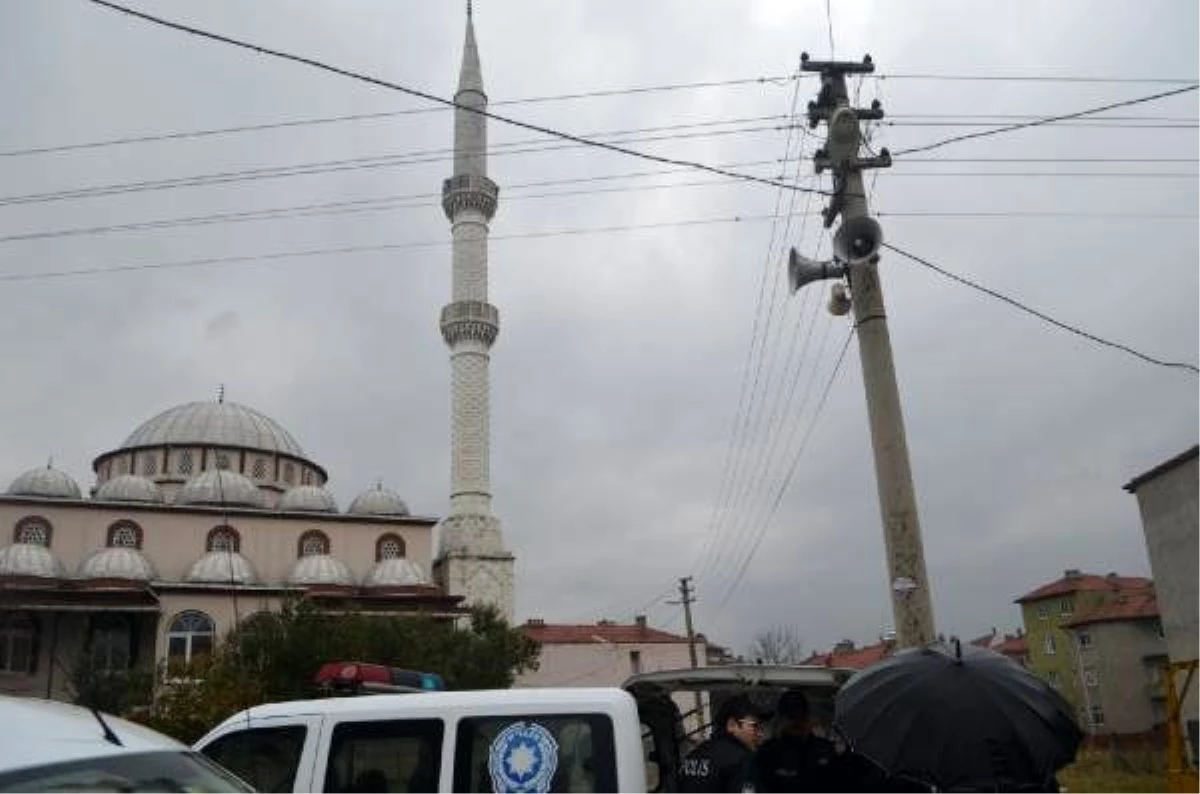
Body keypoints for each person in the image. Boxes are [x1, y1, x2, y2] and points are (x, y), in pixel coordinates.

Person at [751, 689, 842, 794]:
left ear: (808, 718)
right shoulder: (768, 753)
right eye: (791, 717)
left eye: (801, 717)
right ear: (781, 719)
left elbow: (836, 784)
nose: (797, 722)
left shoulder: (825, 749)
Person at [680, 694, 769, 794]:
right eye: (755, 726)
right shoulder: (740, 759)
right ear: (732, 725)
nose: (760, 733)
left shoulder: (693, 756)